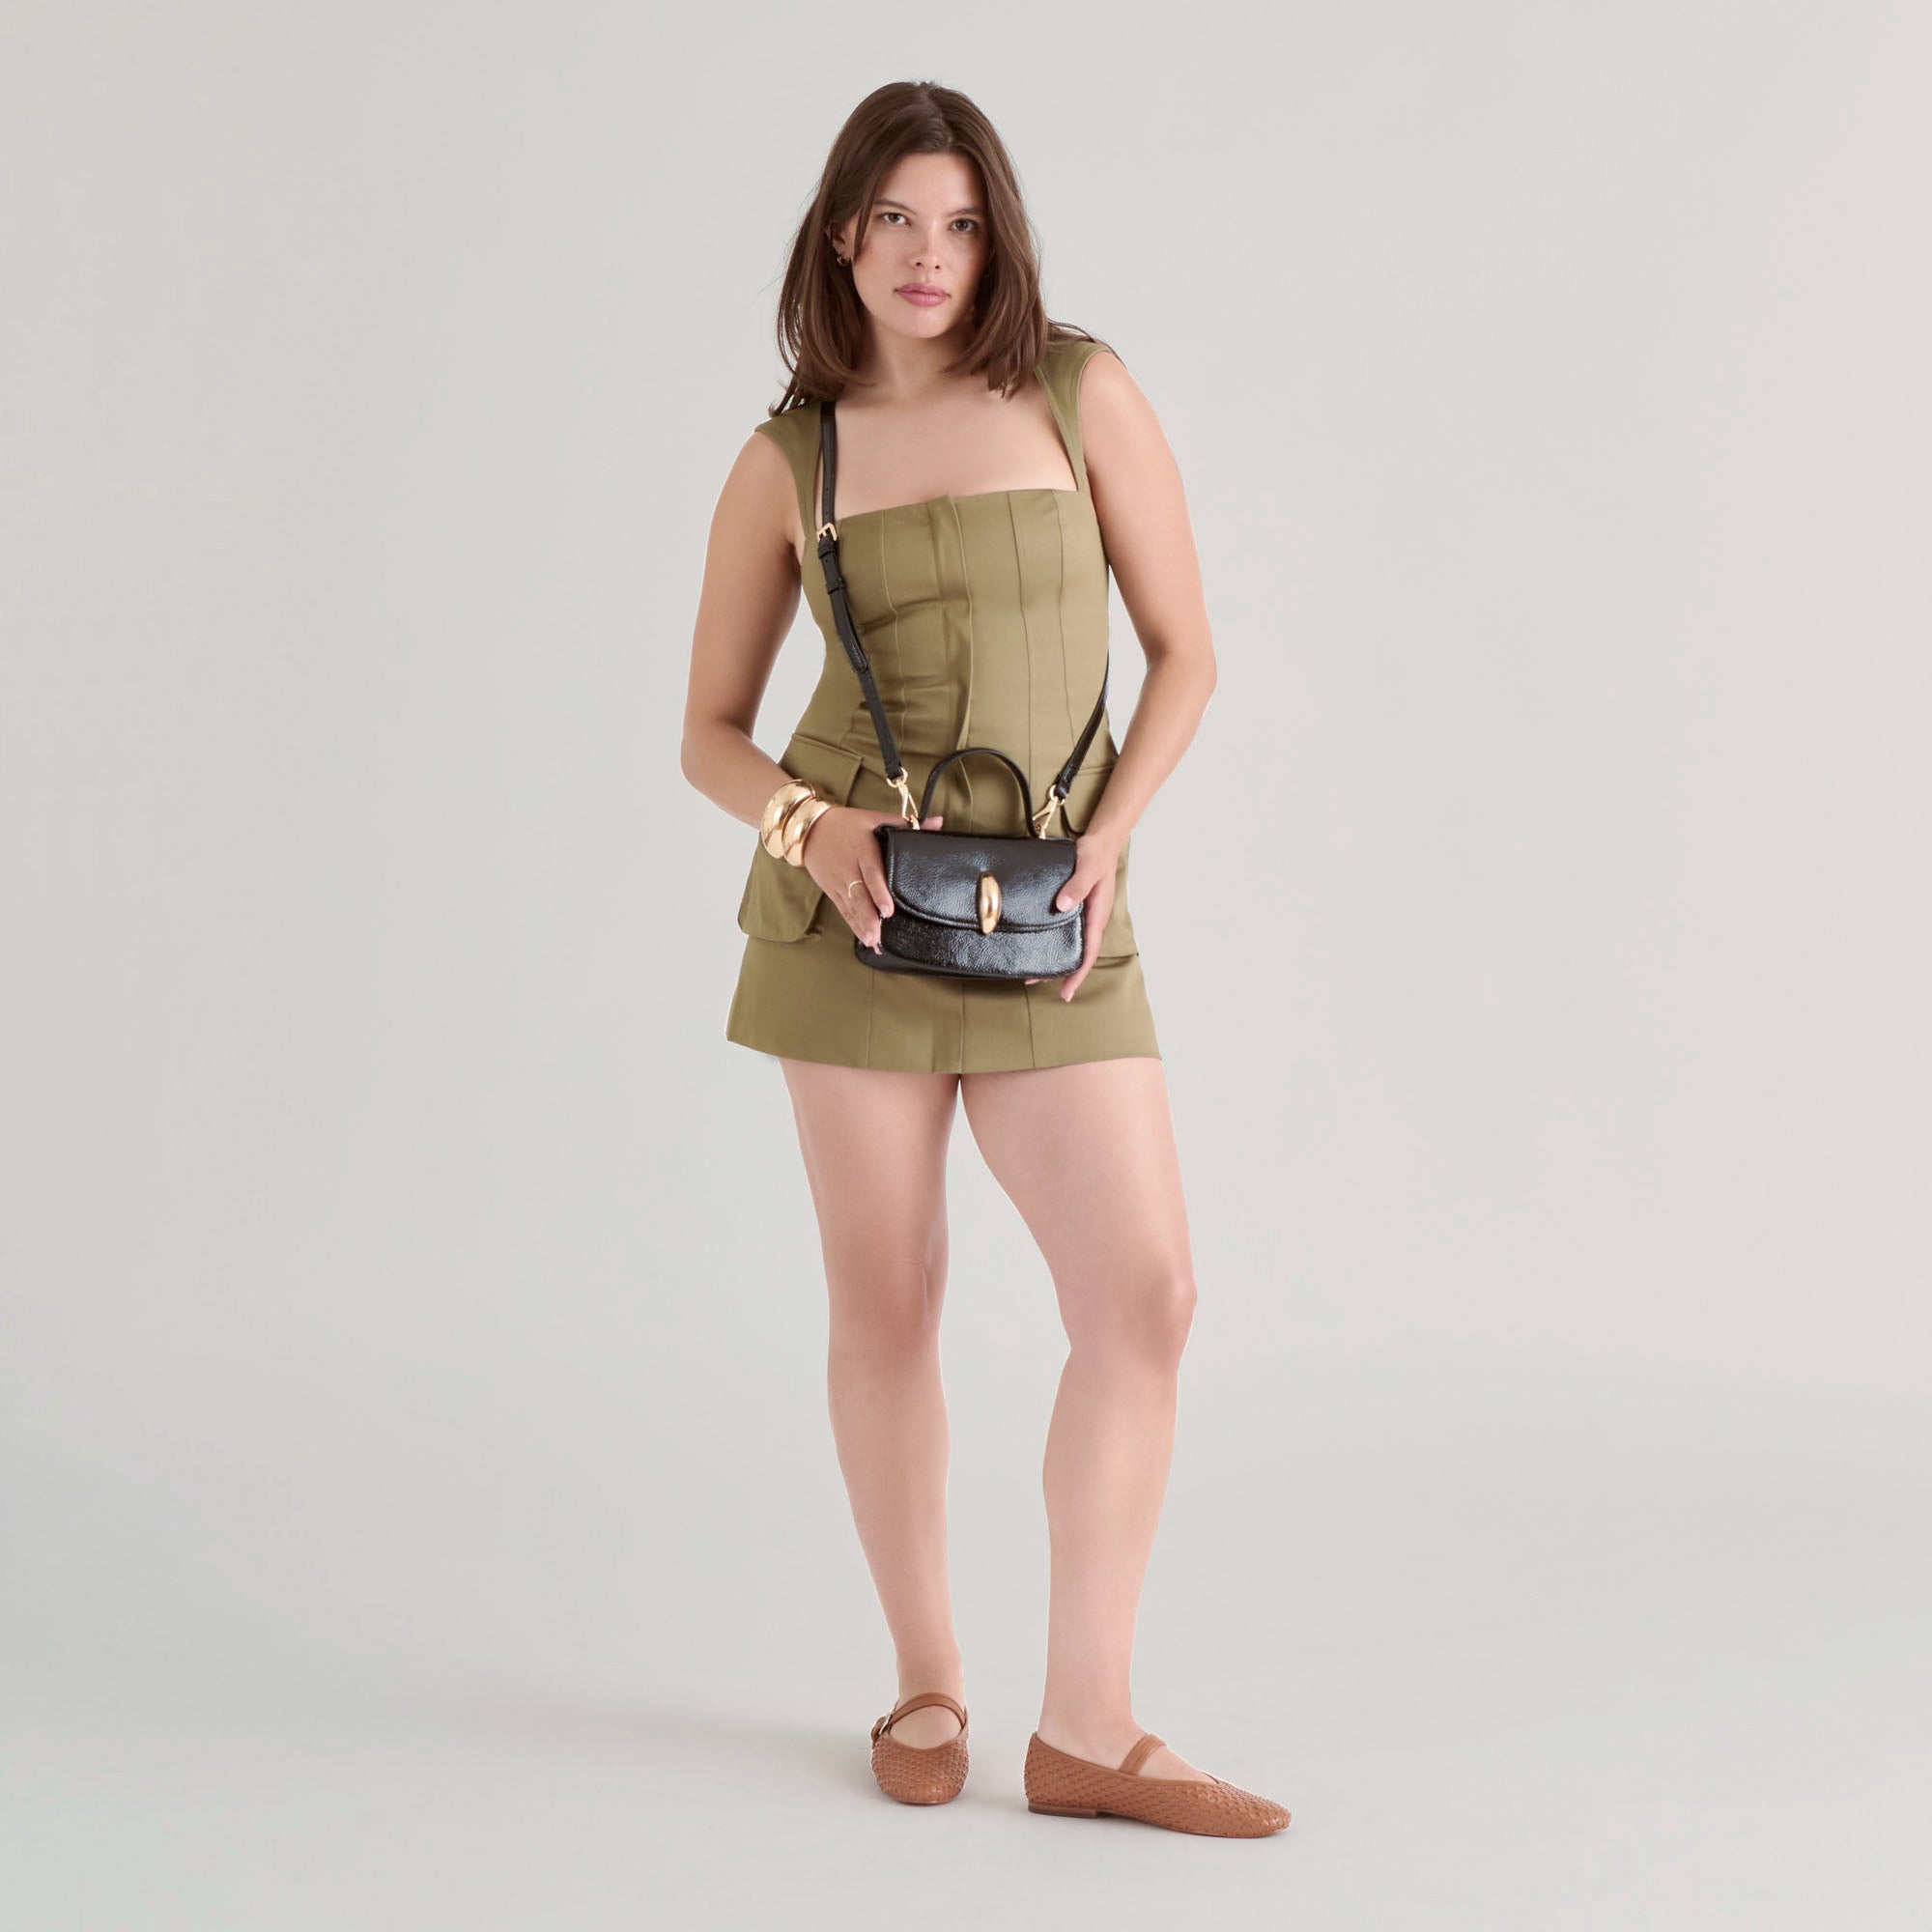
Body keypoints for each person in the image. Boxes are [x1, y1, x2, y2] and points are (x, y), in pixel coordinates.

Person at [680, 80, 1290, 1838]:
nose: (926, 254)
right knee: (888, 1303)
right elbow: (708, 733)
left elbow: (1185, 653)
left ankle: (1089, 1724)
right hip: (854, 920)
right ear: (840, 239)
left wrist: (1110, 842)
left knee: (1144, 1300)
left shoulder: (1082, 390)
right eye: (893, 219)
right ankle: (927, 1680)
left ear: (995, 238)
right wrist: (814, 829)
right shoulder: (790, 459)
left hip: (1059, 914)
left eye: (956, 222)